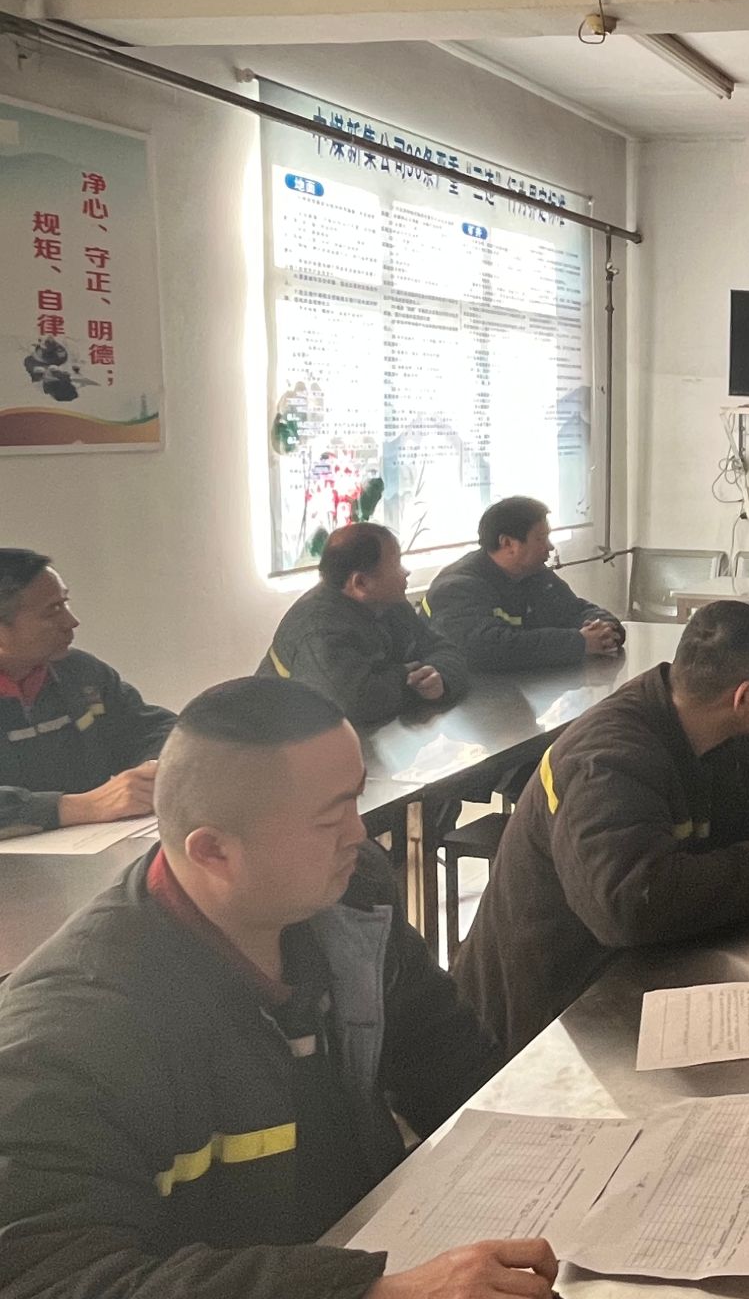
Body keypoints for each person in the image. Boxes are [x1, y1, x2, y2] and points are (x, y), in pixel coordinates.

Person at [0, 675, 547, 1299]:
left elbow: (446, 1058)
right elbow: (48, 1276)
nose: (359, 835)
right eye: (328, 819)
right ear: (213, 852)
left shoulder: (348, 901)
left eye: (355, 799)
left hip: (364, 1238)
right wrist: (372, 1293)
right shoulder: (72, 1034)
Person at [454, 602, 749, 1055]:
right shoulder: (607, 761)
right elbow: (630, 903)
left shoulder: (710, 726)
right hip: (542, 1015)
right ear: (745, 697)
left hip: (624, 978)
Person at [0, 548, 175, 836]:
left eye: (65, 603)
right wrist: (81, 807)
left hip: (94, 850)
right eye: (53, 610)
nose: (71, 621)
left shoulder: (80, 673)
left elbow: (152, 728)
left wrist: (152, 770)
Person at [259, 523, 471, 731]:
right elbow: (354, 704)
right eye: (397, 564)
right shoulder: (318, 631)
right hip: (282, 738)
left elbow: (444, 649)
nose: (406, 572)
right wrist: (410, 677)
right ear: (360, 583)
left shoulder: (390, 604)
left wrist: (440, 680)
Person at [424, 496, 624, 671]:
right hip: (474, 696)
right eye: (540, 538)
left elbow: (576, 610)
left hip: (525, 688)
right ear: (507, 543)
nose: (549, 547)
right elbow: (487, 648)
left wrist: (607, 631)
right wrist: (579, 643)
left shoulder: (536, 575)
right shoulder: (456, 587)